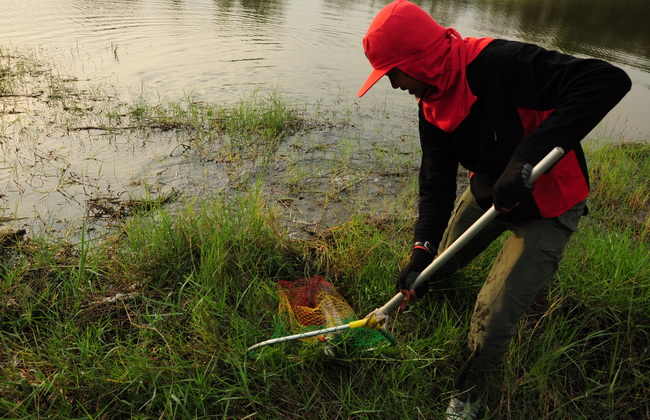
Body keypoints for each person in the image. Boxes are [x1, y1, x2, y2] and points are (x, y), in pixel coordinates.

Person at [356, 1, 631, 418]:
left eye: (392, 73)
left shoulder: (500, 64)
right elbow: (435, 181)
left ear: (419, 60)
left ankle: (467, 398)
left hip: (548, 204)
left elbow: (606, 80)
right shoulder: (430, 102)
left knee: (493, 315)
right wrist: (420, 251)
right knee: (437, 266)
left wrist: (525, 160)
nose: (394, 85)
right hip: (490, 195)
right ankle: (432, 285)